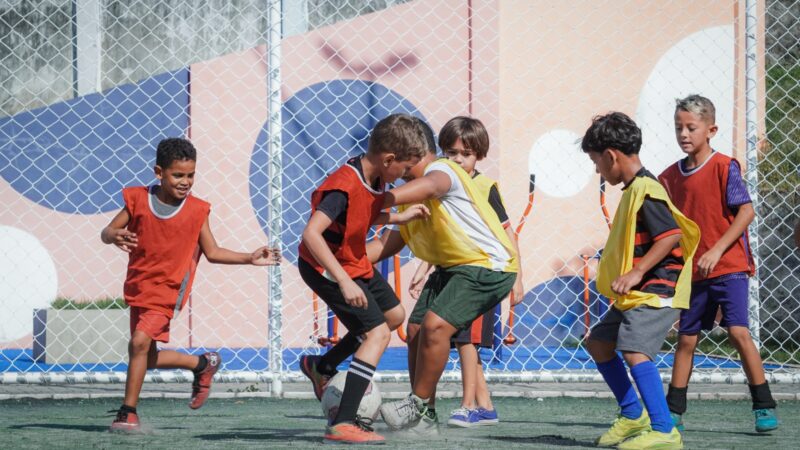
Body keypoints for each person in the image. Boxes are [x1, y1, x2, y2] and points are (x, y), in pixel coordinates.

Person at [101, 137, 281, 433]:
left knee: (138, 344)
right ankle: (201, 364)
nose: (186, 182)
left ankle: (128, 413)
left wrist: (250, 257)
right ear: (159, 172)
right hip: (139, 288)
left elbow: (212, 252)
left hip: (168, 290)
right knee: (145, 357)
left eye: (191, 175)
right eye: (178, 175)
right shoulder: (137, 199)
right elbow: (108, 231)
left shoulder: (198, 210)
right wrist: (112, 234)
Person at [374, 117, 520, 436]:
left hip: (485, 266)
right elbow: (390, 242)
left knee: (436, 326)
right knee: (415, 330)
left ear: (406, 156)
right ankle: (425, 417)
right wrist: (340, 261)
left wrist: (372, 203)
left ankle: (421, 403)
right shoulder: (415, 190)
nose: (387, 171)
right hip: (452, 267)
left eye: (389, 162)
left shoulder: (441, 172)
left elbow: (431, 185)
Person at [297, 113, 430, 444]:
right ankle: (344, 422)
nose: (405, 177)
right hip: (325, 267)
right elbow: (312, 234)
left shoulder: (376, 177)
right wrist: (343, 280)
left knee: (394, 316)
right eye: (404, 168)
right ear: (388, 159)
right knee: (378, 335)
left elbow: (365, 212)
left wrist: (401, 216)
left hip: (351, 261)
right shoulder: (343, 186)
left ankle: (323, 366)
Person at [659, 95, 779, 433]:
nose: (684, 133)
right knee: (686, 340)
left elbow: (746, 212)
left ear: (710, 129)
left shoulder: (725, 166)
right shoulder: (669, 176)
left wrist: (717, 250)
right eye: (678, 127)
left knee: (739, 333)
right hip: (693, 273)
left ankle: (763, 405)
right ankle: (673, 410)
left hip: (730, 268)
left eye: (691, 127)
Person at [581, 112, 699, 449]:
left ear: (611, 156)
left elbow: (671, 236)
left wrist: (635, 271)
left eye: (595, 161)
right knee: (599, 343)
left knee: (634, 350)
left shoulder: (647, 189)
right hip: (637, 292)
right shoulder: (634, 189)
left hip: (656, 288)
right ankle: (633, 414)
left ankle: (665, 430)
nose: (596, 169)